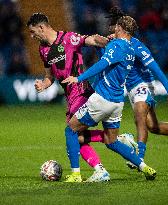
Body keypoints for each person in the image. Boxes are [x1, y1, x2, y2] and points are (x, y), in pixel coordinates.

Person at [62, 15, 157, 182]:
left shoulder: (117, 45)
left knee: (71, 129)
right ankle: (144, 167)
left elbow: (103, 63)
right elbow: (110, 60)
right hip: (117, 103)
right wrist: (106, 45)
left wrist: (79, 78)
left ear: (119, 28)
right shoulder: (131, 49)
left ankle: (76, 174)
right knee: (111, 141)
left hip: (102, 99)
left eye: (116, 27)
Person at [26, 13, 111, 182]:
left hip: (81, 90)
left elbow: (92, 40)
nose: (31, 35)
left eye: (33, 31)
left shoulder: (69, 38)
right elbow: (50, 76)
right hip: (70, 95)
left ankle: (80, 171)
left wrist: (113, 44)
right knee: (78, 137)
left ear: (41, 27)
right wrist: (43, 85)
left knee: (72, 132)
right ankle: (100, 168)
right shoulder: (43, 50)